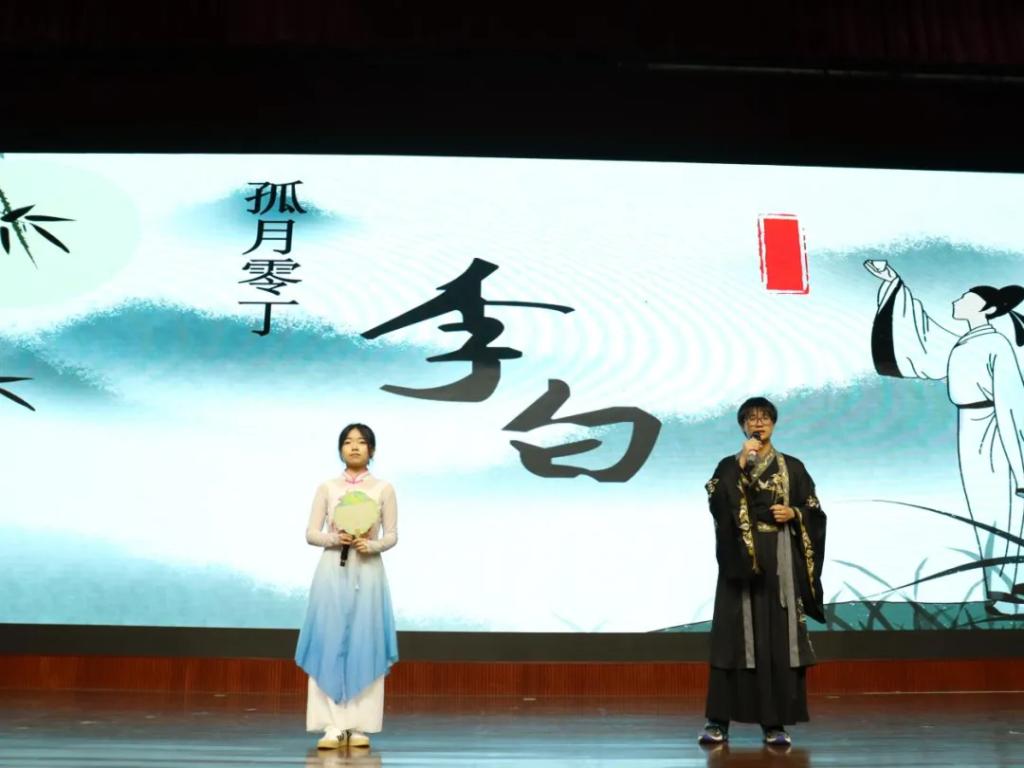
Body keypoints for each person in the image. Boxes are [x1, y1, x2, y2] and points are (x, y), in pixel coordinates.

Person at [866, 260, 1024, 616]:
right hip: (971, 426)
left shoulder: (995, 344)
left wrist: (1020, 461)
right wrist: (892, 282)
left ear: (986, 309)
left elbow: (1011, 400)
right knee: (985, 506)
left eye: (966, 299)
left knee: (999, 506)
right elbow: (922, 340)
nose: (957, 301)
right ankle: (1002, 588)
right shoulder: (965, 342)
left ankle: (1007, 591)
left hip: (994, 427)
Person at [699, 397, 826, 747]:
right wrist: (740, 463)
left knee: (777, 639)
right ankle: (718, 722)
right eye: (752, 419)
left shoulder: (793, 467)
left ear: (774, 423)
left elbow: (814, 509)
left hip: (779, 558)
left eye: (765, 418)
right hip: (740, 561)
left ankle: (774, 723)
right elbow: (716, 501)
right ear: (743, 426)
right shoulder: (729, 465)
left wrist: (795, 514)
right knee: (732, 639)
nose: (759, 423)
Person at [295, 423, 399, 750]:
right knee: (329, 639)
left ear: (372, 450)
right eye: (348, 442)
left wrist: (374, 545)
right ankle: (331, 725)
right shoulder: (327, 487)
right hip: (332, 569)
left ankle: (359, 725)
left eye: (362, 442)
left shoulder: (384, 489)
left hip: (368, 570)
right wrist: (333, 538)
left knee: (365, 640)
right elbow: (311, 533)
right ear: (340, 449)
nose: (354, 447)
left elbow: (392, 534)